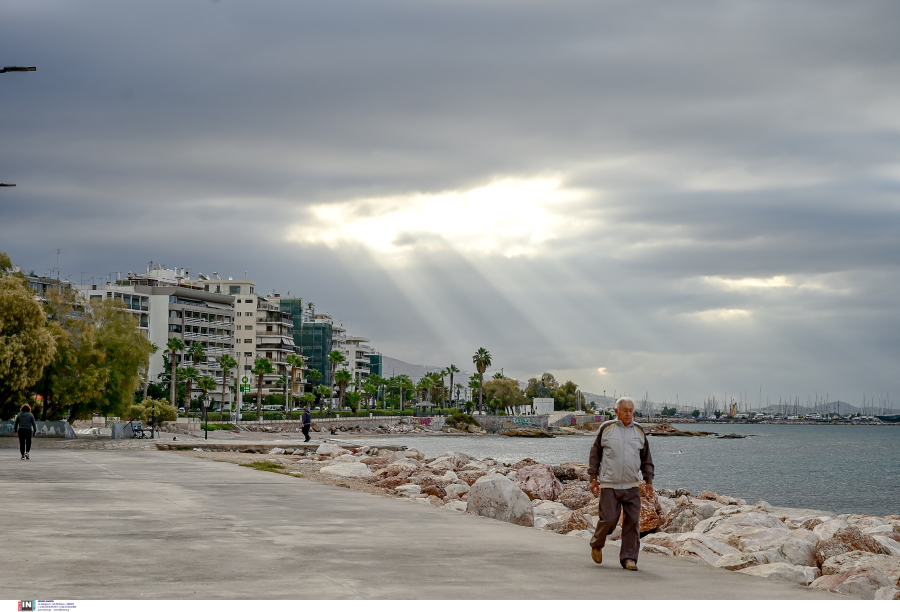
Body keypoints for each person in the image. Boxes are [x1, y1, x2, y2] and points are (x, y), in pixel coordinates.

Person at [587, 397, 654, 570]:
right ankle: (597, 543)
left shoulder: (639, 431)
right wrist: (593, 477)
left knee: (632, 522)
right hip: (610, 484)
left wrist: (648, 480)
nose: (628, 414)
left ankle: (629, 559)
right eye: (625, 410)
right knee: (608, 519)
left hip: (632, 485)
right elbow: (595, 454)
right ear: (616, 411)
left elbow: (646, 457)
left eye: (631, 410)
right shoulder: (606, 428)